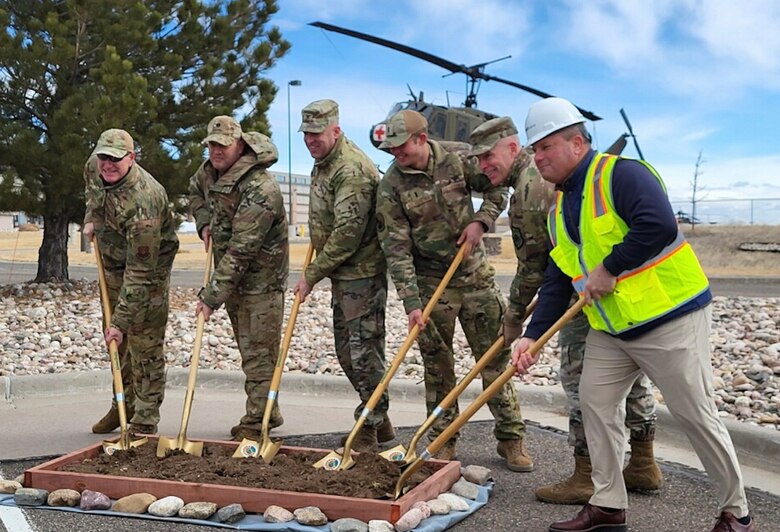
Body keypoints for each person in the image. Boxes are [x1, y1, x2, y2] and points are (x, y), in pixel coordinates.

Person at [512, 98, 755, 532]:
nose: (538, 157)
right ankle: (608, 505)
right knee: (596, 403)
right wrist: (531, 336)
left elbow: (658, 224)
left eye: (546, 146)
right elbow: (557, 277)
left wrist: (609, 268)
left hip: (670, 318)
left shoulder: (621, 175)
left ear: (578, 142)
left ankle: (736, 513)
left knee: (695, 414)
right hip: (613, 330)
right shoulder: (559, 211)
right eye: (534, 150)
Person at [468, 117, 663, 504]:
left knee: (580, 381)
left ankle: (587, 474)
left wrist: (516, 318)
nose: (482, 166)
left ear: (511, 149)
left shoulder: (530, 189)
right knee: (631, 378)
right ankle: (643, 462)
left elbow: (538, 264)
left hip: (581, 294)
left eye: (488, 156)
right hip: (610, 290)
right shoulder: (543, 181)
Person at [375, 109, 532, 472]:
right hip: (432, 285)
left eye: (401, 146)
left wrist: (482, 220)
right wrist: (412, 303)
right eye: (391, 149)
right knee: (437, 366)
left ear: (421, 138)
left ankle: (511, 438)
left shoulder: (460, 159)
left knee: (493, 359)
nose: (396, 154)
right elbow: (395, 249)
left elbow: (498, 186)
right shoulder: (391, 185)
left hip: (475, 277)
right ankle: (442, 438)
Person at [293, 99, 393, 452]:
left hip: (362, 273)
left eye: (316, 134)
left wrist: (311, 274)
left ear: (335, 130)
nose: (310, 141)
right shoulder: (324, 163)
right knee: (347, 352)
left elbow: (347, 235)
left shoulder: (350, 169)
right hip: (344, 276)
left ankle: (369, 423)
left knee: (364, 352)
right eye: (306, 134)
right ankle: (379, 414)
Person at [188, 116, 289, 442]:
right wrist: (204, 223)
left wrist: (210, 297)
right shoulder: (208, 173)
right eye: (212, 144)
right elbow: (194, 191)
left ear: (241, 145)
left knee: (260, 355)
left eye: (223, 145)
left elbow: (241, 251)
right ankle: (269, 410)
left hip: (261, 283)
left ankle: (256, 424)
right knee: (250, 351)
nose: (216, 151)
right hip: (235, 283)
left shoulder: (261, 188)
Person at [83, 128, 179, 436]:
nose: (107, 165)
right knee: (116, 346)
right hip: (111, 264)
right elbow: (92, 192)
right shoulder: (94, 166)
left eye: (115, 159)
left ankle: (145, 419)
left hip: (147, 273)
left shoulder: (145, 201)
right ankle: (121, 405)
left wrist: (120, 321)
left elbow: (139, 272)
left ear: (132, 158)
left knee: (143, 343)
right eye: (104, 158)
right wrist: (90, 217)